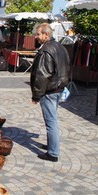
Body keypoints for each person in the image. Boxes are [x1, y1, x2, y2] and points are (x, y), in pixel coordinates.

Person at [30, 23, 70, 162]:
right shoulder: (60, 47)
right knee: (52, 119)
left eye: (38, 34)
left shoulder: (47, 49)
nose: (36, 36)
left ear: (46, 35)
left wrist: (36, 95)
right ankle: (51, 145)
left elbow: (42, 75)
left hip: (50, 89)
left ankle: (53, 153)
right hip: (59, 87)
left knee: (51, 121)